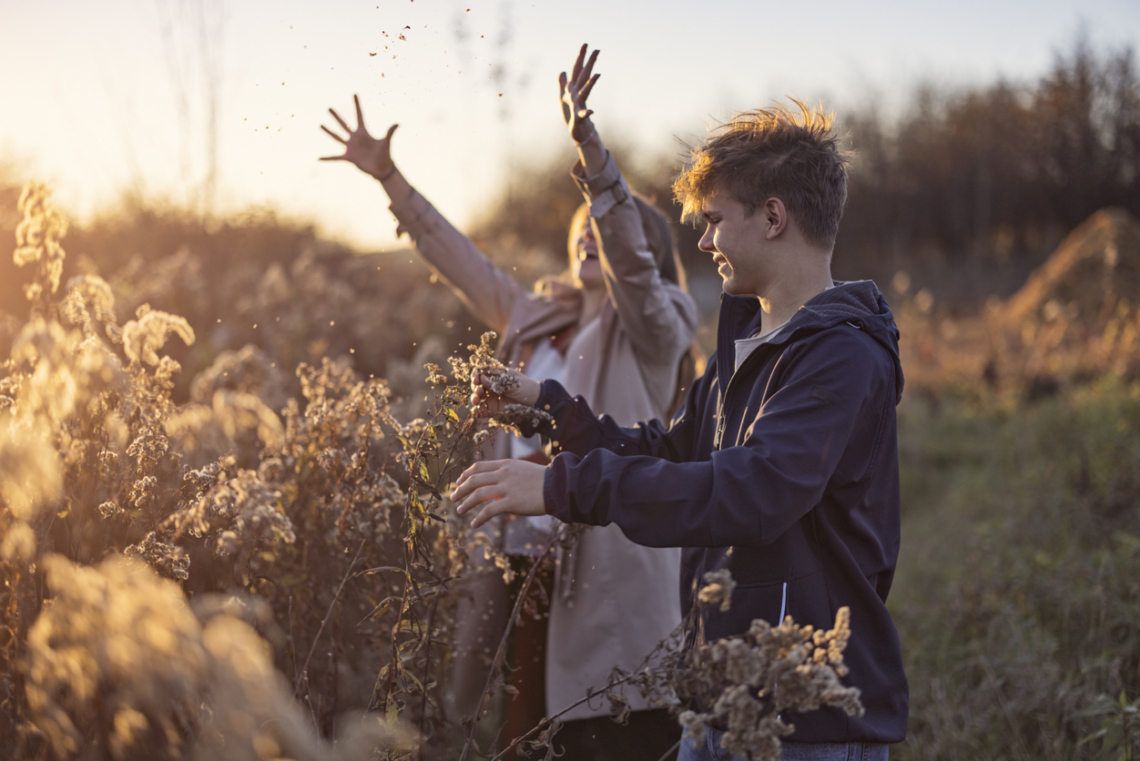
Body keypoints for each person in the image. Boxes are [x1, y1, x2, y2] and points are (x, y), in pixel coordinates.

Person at [451, 101, 909, 761]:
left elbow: (746, 494)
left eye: (717, 220)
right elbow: (666, 450)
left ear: (773, 218)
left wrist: (561, 486)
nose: (703, 242)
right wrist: (547, 406)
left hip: (804, 717)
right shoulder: (749, 348)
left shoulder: (840, 358)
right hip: (723, 697)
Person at [321, 45, 697, 760]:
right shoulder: (533, 316)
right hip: (521, 567)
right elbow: (460, 259)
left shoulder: (655, 327)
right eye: (581, 228)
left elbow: (638, 278)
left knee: (604, 724)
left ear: (634, 247)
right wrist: (391, 181)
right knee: (521, 731)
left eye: (608, 228)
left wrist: (591, 158)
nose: (592, 233)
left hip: (607, 562)